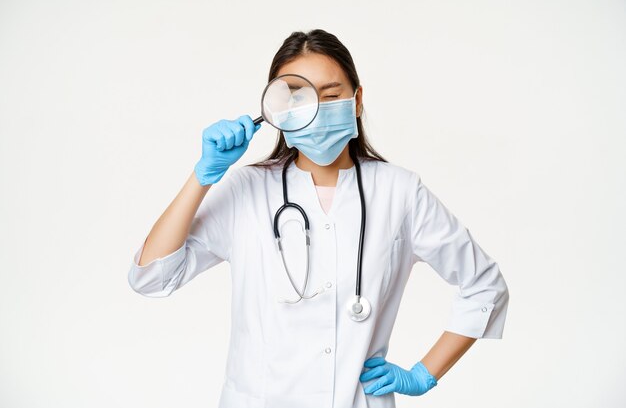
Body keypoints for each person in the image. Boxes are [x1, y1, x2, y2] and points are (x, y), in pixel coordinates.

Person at [127, 29, 510, 408]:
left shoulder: (400, 192)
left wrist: (423, 374)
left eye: (331, 95)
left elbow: (484, 285)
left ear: (357, 101)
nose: (317, 110)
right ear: (278, 111)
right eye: (298, 98)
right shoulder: (247, 189)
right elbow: (151, 276)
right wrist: (202, 177)